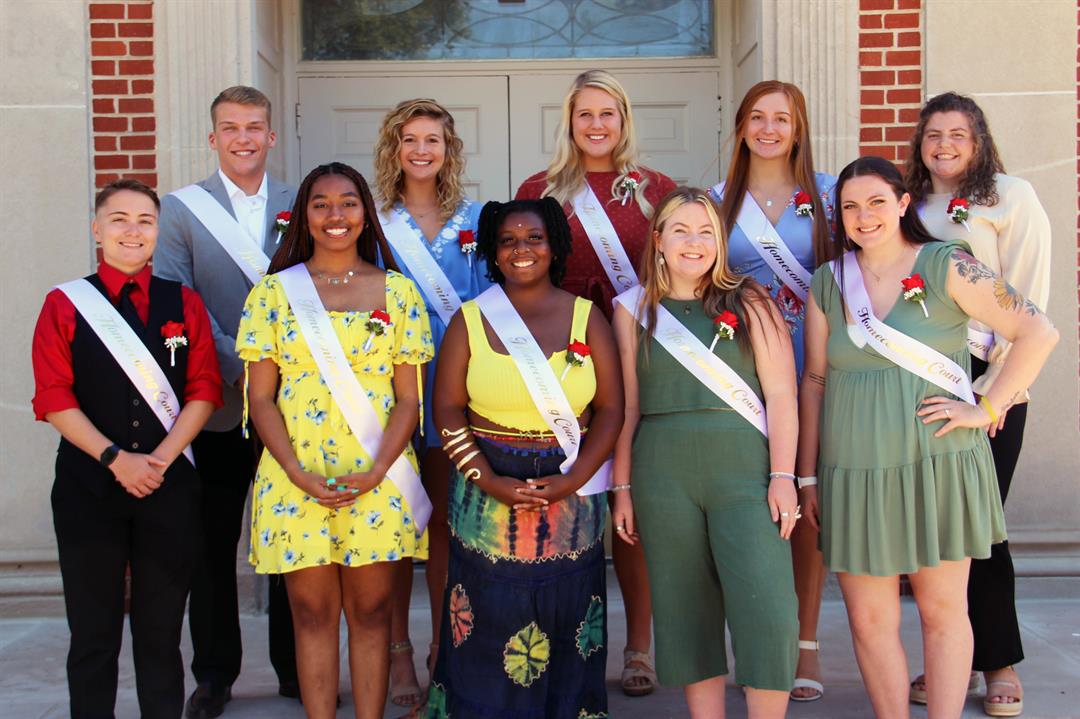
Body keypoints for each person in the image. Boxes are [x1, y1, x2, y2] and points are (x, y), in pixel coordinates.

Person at [798, 157, 1058, 719]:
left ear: (902, 203)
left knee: (943, 613)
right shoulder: (829, 281)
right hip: (856, 472)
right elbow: (815, 382)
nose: (863, 216)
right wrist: (808, 474)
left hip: (936, 462)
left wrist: (988, 404)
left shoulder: (947, 265)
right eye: (849, 207)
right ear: (838, 217)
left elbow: (1038, 330)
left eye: (875, 202)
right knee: (870, 622)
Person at [239, 162, 433, 719]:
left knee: (372, 613)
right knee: (311, 614)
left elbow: (410, 400)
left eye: (347, 202)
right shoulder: (274, 294)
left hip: (378, 475)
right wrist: (298, 474)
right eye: (320, 204)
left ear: (364, 213)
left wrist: (375, 472)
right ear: (303, 214)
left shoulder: (397, 292)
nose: (335, 215)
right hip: (295, 477)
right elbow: (259, 400)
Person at [31, 179, 222, 718]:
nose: (132, 230)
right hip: (89, 486)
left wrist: (158, 461)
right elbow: (52, 396)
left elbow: (204, 388)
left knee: (160, 637)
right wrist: (116, 459)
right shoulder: (65, 303)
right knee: (93, 635)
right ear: (97, 229)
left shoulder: (183, 302)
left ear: (157, 231)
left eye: (144, 220)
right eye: (119, 219)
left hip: (168, 488)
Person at [426, 198, 623, 718]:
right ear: (494, 250)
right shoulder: (471, 321)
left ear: (555, 245)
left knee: (568, 620)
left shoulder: (588, 317)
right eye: (509, 240)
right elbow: (445, 409)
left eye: (534, 238)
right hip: (484, 492)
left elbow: (610, 410)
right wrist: (486, 478)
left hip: (571, 495)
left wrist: (573, 480)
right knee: (485, 623)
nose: (522, 249)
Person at [515, 69, 675, 696]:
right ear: (570, 120)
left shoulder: (655, 189)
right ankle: (560, 646)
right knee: (568, 509)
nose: (597, 125)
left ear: (624, 119)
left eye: (608, 113)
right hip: (565, 367)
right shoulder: (542, 188)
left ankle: (639, 647)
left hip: (641, 357)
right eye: (586, 114)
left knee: (633, 510)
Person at [611, 187, 800, 719]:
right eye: (681, 231)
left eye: (706, 232)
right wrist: (622, 488)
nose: (694, 243)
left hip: (745, 469)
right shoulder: (631, 310)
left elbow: (782, 396)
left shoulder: (752, 300)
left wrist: (783, 475)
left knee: (768, 609)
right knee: (685, 610)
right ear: (659, 239)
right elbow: (626, 410)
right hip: (661, 474)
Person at [904, 92, 1052, 717]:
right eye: (933, 134)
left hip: (987, 379)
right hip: (916, 381)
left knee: (980, 527)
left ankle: (999, 662)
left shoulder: (1011, 198)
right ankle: (950, 659)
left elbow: (1030, 303)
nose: (943, 146)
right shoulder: (908, 203)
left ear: (979, 139)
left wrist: (995, 396)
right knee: (933, 531)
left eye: (957, 135)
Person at [153, 85, 299, 716]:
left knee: (294, 539)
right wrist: (244, 365)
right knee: (211, 545)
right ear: (213, 138)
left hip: (296, 406)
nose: (244, 137)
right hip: (215, 406)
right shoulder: (181, 212)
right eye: (231, 127)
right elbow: (174, 303)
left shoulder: (305, 202)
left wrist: (277, 373)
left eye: (255, 127)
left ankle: (297, 669)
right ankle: (214, 675)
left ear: (272, 136)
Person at [708, 79, 836, 703]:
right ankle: (757, 639)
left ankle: (804, 642)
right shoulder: (715, 200)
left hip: (817, 366)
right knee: (748, 502)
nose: (768, 128)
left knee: (805, 495)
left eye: (781, 118)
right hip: (738, 370)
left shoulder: (832, 195)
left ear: (798, 126)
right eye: (756, 116)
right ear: (740, 125)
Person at [371, 98, 488, 708]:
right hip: (384, 397)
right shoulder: (371, 221)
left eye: (433, 140)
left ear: (449, 148)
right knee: (394, 530)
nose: (421, 150)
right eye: (410, 139)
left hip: (455, 395)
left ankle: (447, 646)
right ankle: (397, 653)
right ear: (394, 148)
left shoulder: (476, 220)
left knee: (444, 523)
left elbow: (496, 307)